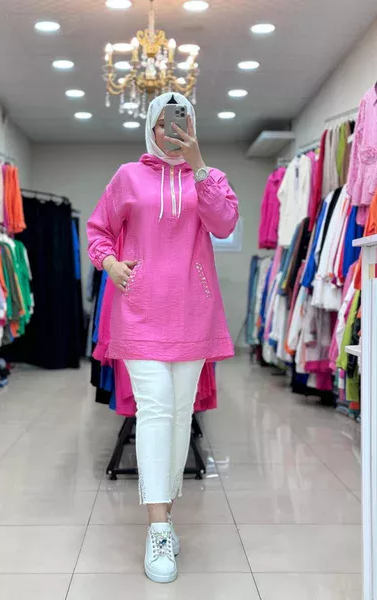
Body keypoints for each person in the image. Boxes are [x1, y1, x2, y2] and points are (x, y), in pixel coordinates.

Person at [87, 92, 238, 584]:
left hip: (193, 312)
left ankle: (165, 517)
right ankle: (156, 529)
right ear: (152, 128)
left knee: (179, 414)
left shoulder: (209, 177)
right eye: (166, 124)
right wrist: (111, 263)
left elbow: (224, 223)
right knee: (154, 410)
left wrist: (199, 165)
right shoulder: (127, 176)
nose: (174, 132)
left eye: (184, 122)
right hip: (140, 310)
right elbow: (98, 231)